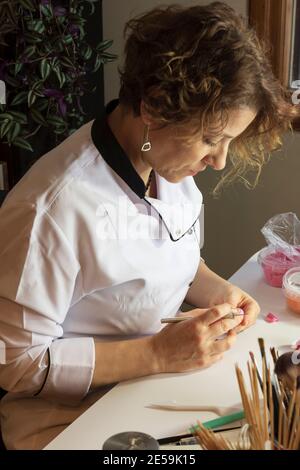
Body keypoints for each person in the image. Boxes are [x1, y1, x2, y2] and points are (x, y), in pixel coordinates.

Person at [0, 2, 298, 450]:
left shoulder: (168, 164)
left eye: (228, 142)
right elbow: (15, 364)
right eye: (211, 140)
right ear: (154, 109)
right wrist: (156, 353)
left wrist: (222, 292)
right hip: (65, 418)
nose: (218, 162)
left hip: (146, 387)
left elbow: (171, 255)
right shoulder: (51, 210)